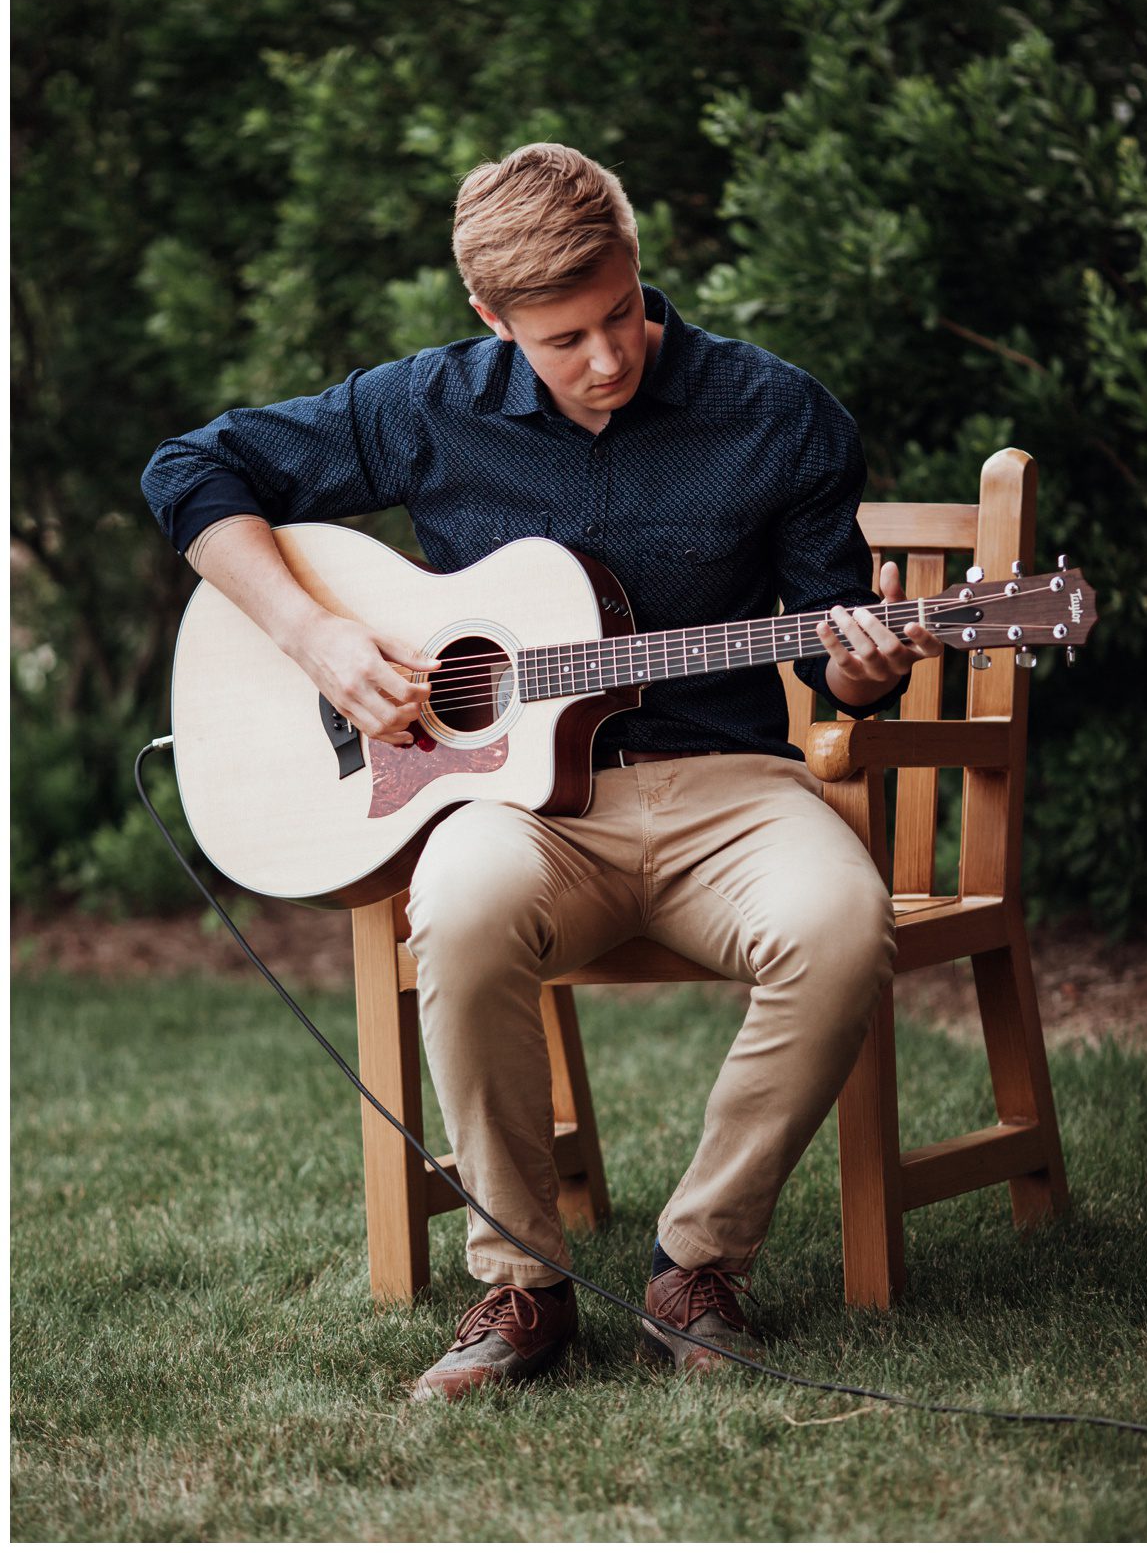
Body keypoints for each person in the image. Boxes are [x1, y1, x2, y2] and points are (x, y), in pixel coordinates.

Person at [142, 142, 942, 1402]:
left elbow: (840, 652)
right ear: (490, 317)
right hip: (515, 809)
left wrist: (865, 664)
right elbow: (187, 469)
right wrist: (322, 636)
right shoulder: (427, 404)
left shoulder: (777, 411)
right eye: (564, 336)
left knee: (843, 922)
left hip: (726, 787)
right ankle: (523, 1281)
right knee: (452, 910)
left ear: (639, 268)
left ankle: (696, 1262)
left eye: (622, 311)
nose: (610, 358)